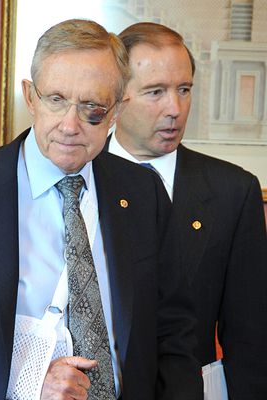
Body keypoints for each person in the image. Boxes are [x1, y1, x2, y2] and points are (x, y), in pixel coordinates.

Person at [0, 19, 203, 400]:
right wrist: (27, 383)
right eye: (56, 99)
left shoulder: (143, 193)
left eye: (92, 109)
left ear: (117, 110)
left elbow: (174, 333)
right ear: (31, 97)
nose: (70, 125)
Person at [107, 21, 267, 399]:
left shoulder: (232, 191)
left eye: (183, 90)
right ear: (116, 94)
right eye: (155, 92)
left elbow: (251, 339)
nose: (175, 109)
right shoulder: (77, 179)